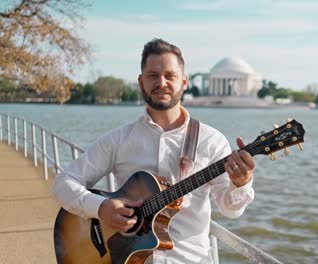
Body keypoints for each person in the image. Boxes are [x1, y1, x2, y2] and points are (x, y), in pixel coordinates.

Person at [51, 38, 256, 263]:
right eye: (153, 75)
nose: (161, 82)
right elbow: (63, 183)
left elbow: (230, 210)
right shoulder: (120, 139)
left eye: (170, 75)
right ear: (141, 81)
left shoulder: (211, 140)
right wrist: (100, 208)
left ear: (184, 82)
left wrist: (241, 183)